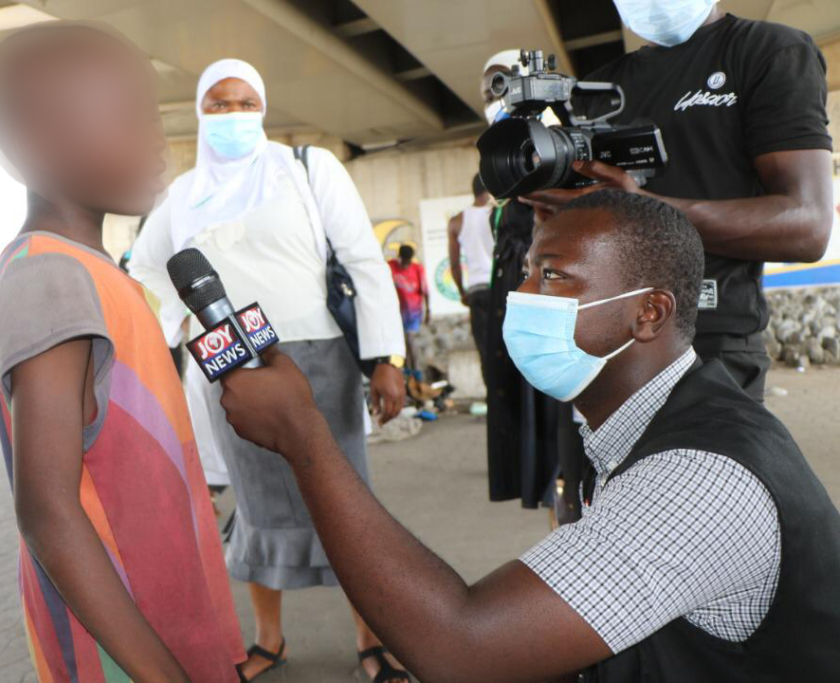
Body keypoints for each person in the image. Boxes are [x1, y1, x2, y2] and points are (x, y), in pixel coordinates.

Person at [220, 190, 840, 682]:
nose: (520, 298)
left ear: (648, 313)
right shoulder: (649, 418)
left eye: (554, 276)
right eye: (525, 273)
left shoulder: (697, 480)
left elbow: (462, 648)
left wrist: (305, 438)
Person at [129, 59, 409, 682]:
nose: (233, 117)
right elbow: (144, 269)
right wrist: (183, 322)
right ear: (200, 115)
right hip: (231, 367)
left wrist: (388, 358)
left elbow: (364, 259)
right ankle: (270, 640)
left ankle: (372, 641)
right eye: (219, 106)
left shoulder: (307, 169)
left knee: (344, 501)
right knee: (256, 508)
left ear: (265, 105)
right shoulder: (181, 197)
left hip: (316, 361)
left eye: (245, 102)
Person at [0, 24, 244, 682]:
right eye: (131, 117)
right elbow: (46, 507)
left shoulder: (93, 269)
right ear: (38, 138)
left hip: (158, 611)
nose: (157, 140)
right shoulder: (50, 275)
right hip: (119, 648)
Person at [522, 0, 834, 402]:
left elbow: (808, 226)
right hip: (602, 349)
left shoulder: (769, 51)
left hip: (708, 343)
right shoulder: (594, 91)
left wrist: (642, 211)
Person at [480, 51, 563, 514]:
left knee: (560, 441)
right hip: (516, 303)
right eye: (492, 85)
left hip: (551, 306)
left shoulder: (554, 144)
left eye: (510, 80)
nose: (501, 92)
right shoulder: (500, 157)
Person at [447, 173, 493, 383]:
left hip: (477, 291)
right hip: (502, 288)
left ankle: (493, 400)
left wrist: (462, 292)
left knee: (485, 351)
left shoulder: (457, 221)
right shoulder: (499, 212)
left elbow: (455, 264)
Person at [387, 244, 429, 373]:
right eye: (403, 261)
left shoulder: (417, 269)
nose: (405, 264)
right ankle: (406, 371)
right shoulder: (391, 266)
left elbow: (425, 291)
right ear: (399, 257)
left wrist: (428, 310)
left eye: (408, 261)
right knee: (401, 343)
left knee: (410, 341)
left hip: (413, 311)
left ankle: (416, 371)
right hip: (395, 312)